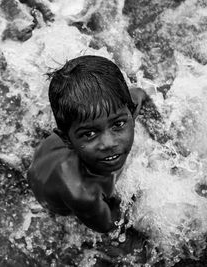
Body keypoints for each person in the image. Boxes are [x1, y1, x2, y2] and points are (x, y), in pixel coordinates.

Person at [27, 55, 148, 233]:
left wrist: (167, 140)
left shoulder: (121, 105)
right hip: (47, 187)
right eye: (90, 134)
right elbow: (110, 227)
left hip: (51, 151)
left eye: (118, 124)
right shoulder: (81, 193)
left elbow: (141, 96)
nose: (108, 143)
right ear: (66, 139)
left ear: (132, 112)